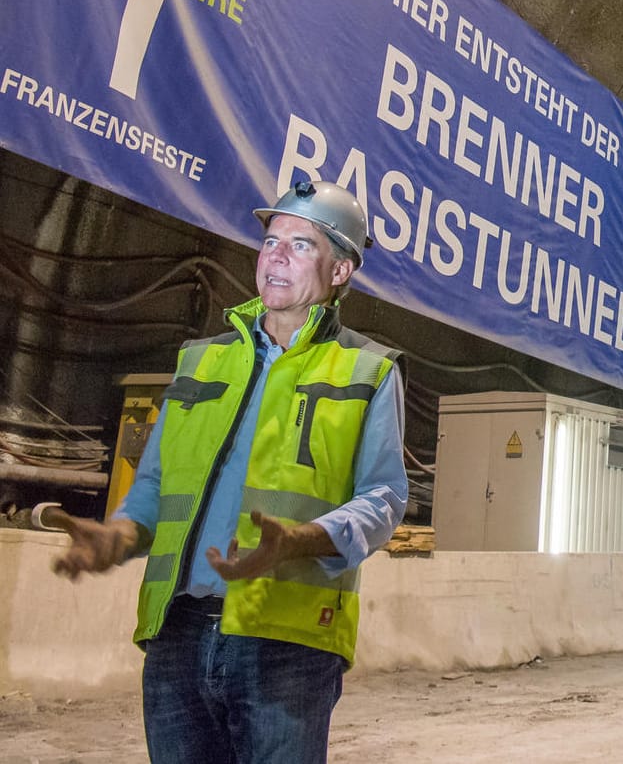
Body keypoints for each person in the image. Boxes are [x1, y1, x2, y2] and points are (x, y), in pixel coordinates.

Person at [52, 180, 408, 764]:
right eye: (270, 242)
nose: (276, 256)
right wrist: (118, 534)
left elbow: (385, 497)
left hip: (286, 642)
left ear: (341, 272)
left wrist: (302, 539)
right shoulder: (201, 360)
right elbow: (155, 485)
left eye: (301, 244)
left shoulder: (367, 370)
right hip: (178, 633)